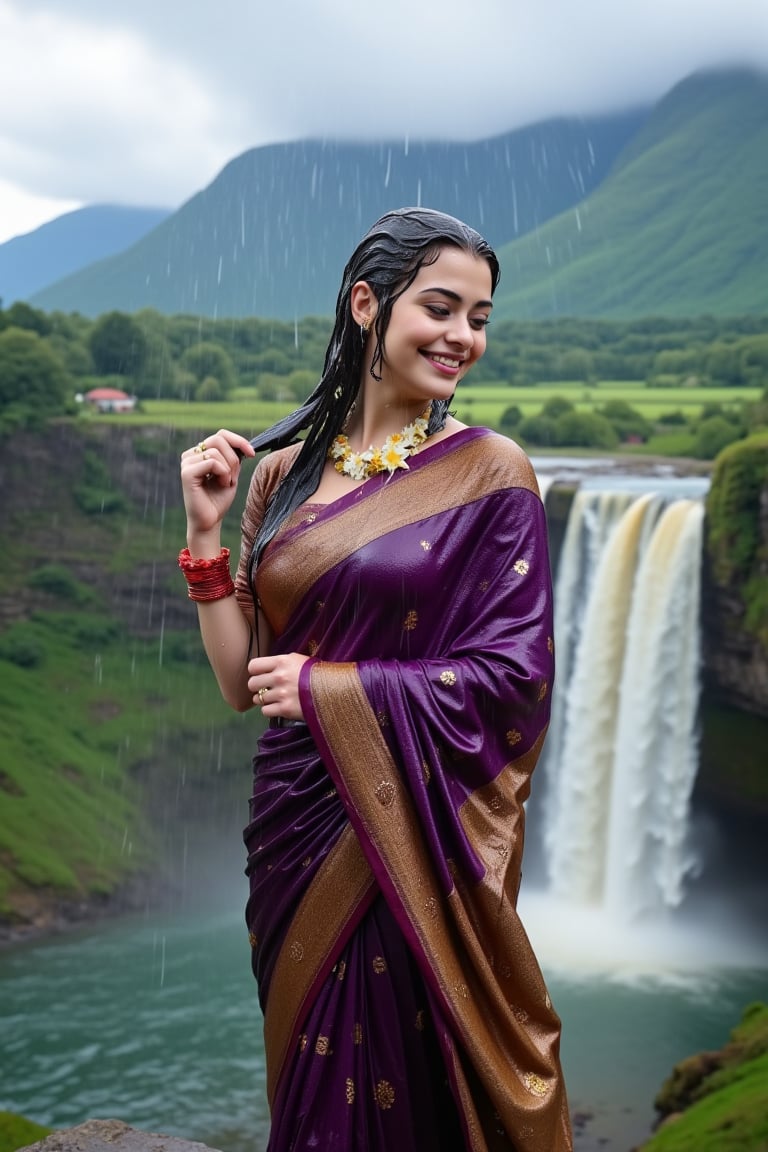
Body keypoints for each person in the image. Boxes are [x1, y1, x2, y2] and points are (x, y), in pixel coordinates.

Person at [178, 207, 572, 1151]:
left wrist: (334, 689)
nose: (462, 338)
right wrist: (202, 537)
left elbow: (515, 680)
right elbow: (243, 684)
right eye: (441, 308)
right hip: (297, 832)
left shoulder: (491, 476)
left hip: (414, 832)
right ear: (367, 305)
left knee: (407, 1086)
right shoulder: (279, 478)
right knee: (317, 1088)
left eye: (479, 317)